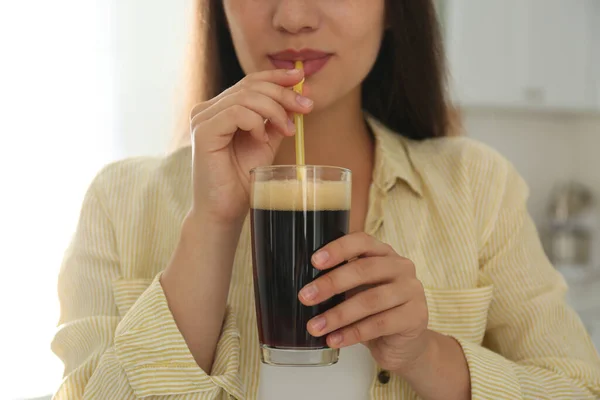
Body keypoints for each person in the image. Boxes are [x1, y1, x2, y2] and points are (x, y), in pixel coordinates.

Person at [52, 0, 600, 399]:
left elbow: (576, 387)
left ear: (393, 10)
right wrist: (212, 225)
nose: (292, 16)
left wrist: (428, 355)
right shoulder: (118, 202)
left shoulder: (477, 187)